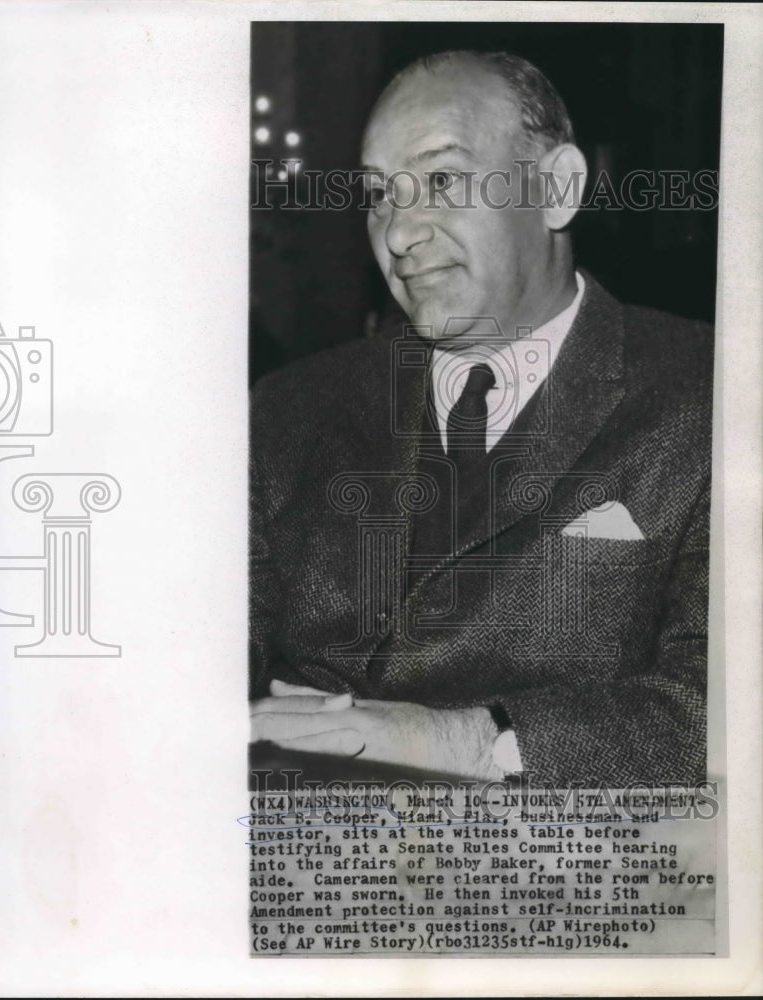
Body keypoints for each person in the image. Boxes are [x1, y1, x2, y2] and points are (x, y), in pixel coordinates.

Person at [249, 51, 712, 787]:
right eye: (378, 196)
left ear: (557, 189)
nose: (398, 235)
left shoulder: (712, 395)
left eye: (441, 180)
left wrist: (456, 742)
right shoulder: (284, 410)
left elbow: (717, 709)